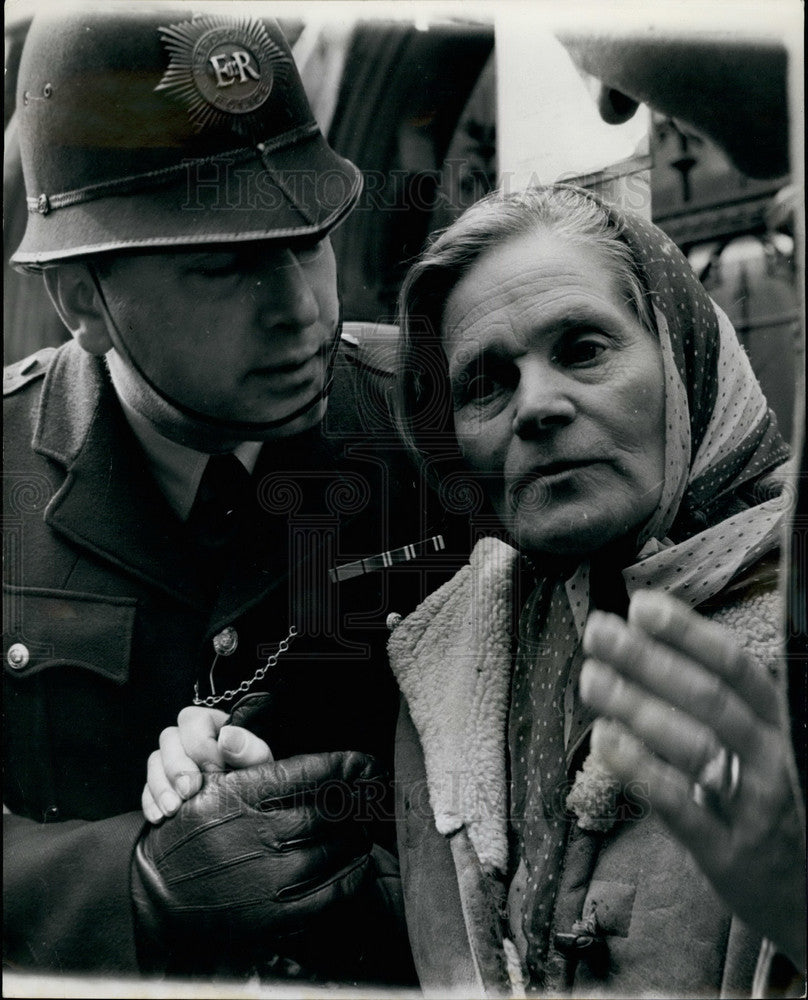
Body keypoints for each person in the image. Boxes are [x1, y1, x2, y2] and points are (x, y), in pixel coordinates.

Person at [3, 5, 440, 983]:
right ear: (84, 302)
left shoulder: (440, 420)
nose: (301, 309)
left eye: (310, 239)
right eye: (226, 266)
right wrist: (121, 887)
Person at [387, 184, 804, 995]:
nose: (536, 407)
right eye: (487, 383)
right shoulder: (444, 663)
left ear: (683, 359)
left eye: (582, 348)